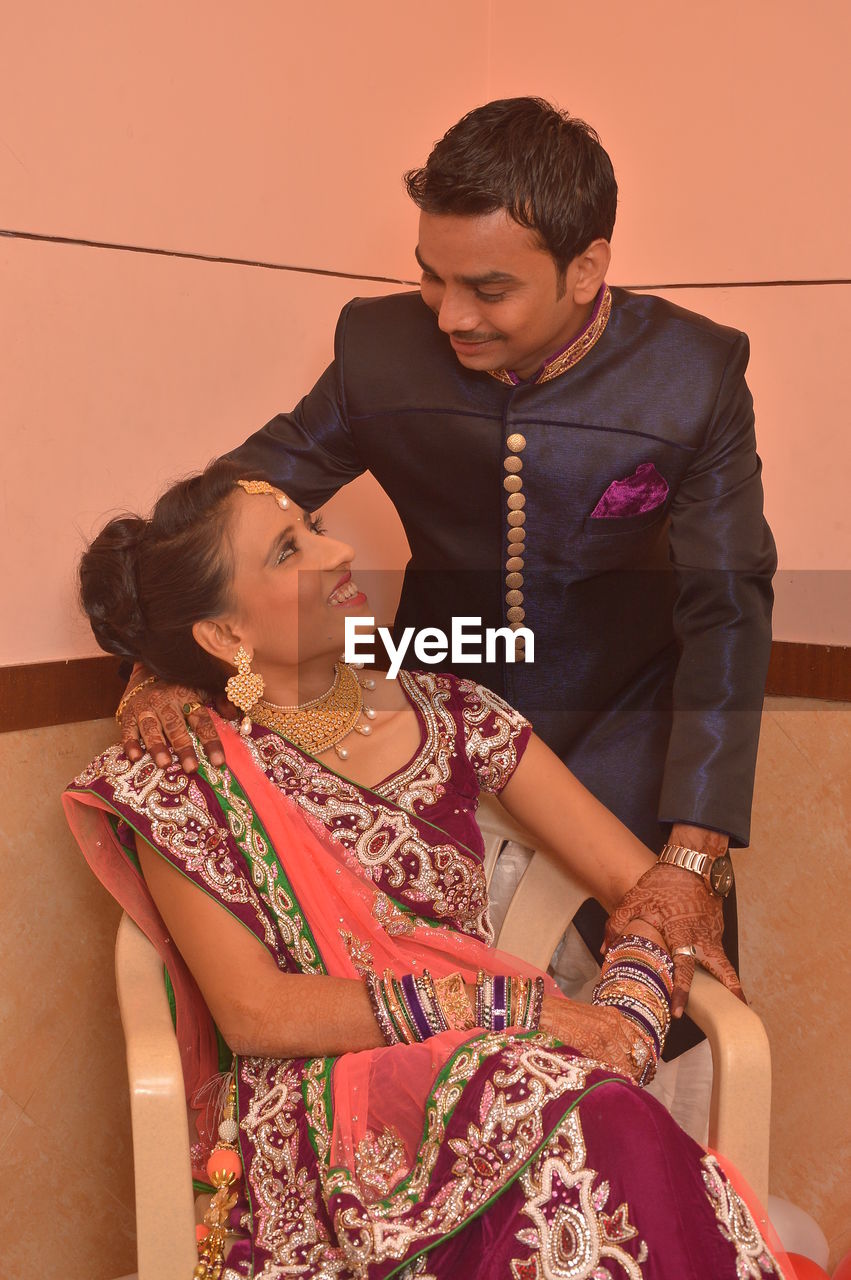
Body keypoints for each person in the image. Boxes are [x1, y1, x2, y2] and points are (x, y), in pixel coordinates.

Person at [115, 98, 776, 1053]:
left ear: (586, 268)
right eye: (432, 277)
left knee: (664, 1029)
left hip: (624, 733)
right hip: (421, 731)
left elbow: (726, 608)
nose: (451, 314)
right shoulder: (376, 349)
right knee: (422, 1029)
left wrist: (693, 849)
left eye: (490, 288)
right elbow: (226, 521)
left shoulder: (693, 374)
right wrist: (164, 665)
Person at [64, 463, 790, 1279]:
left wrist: (627, 1015)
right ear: (227, 637)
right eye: (287, 552)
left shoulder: (454, 713)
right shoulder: (183, 776)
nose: (338, 551)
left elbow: (649, 893)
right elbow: (256, 1013)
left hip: (509, 1071)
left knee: (598, 1115)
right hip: (324, 1107)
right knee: (573, 1113)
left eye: (315, 527)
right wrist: (523, 1015)